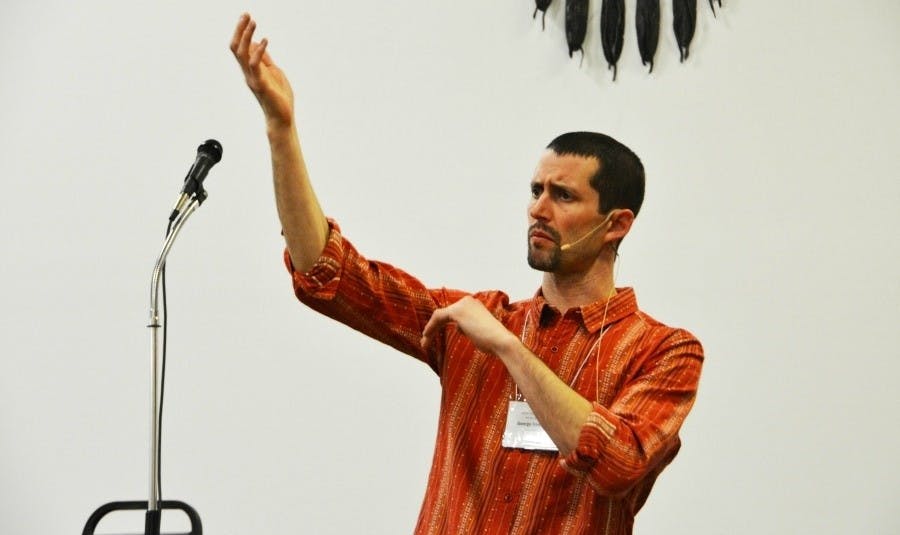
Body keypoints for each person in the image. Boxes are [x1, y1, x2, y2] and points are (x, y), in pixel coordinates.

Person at [231, 13, 703, 535]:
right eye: (535, 190)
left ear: (616, 225)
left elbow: (618, 465)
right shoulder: (476, 320)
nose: (538, 209)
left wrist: (506, 347)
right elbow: (330, 274)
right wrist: (281, 130)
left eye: (562, 195)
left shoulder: (664, 351)